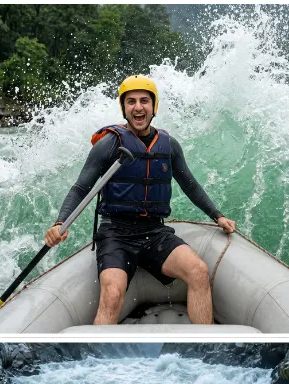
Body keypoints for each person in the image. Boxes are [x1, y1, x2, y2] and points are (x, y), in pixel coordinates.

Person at [44, 76, 237, 325]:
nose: (138, 107)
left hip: (155, 232)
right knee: (112, 294)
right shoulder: (108, 144)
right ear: (124, 108)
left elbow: (190, 185)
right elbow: (81, 187)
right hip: (116, 233)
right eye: (131, 101)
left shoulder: (169, 146)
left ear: (153, 107)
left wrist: (217, 216)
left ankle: (205, 343)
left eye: (144, 101)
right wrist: (60, 222)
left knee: (198, 271)